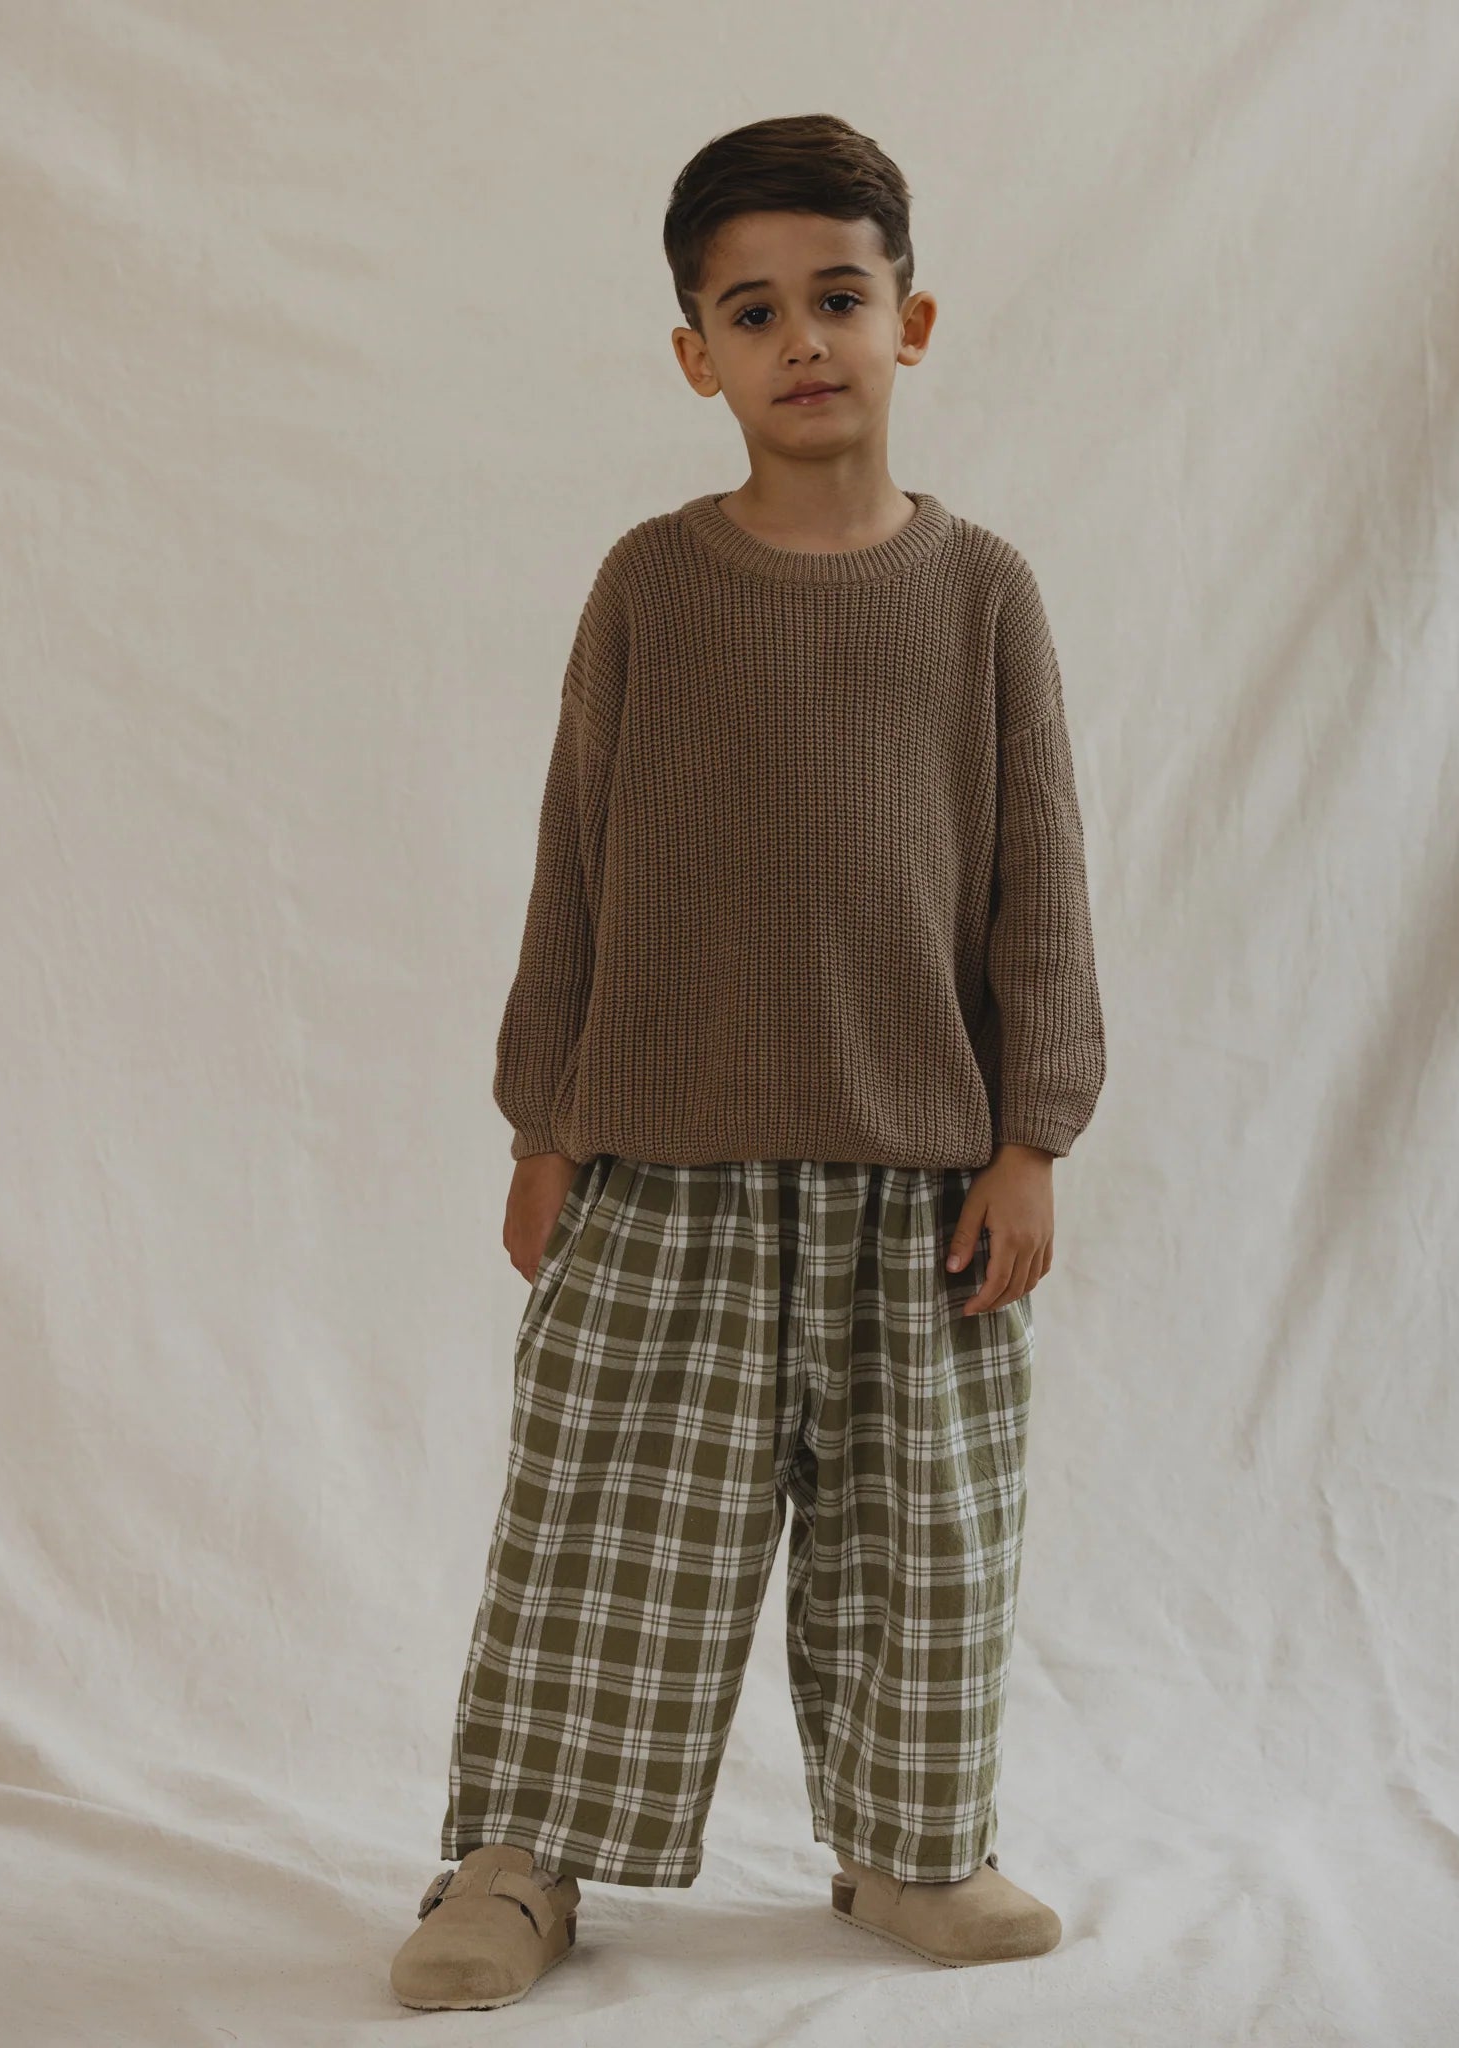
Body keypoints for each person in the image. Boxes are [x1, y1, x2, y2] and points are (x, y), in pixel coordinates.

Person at [390, 110, 1107, 2012]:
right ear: (696, 352)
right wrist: (543, 1118)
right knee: (598, 1524)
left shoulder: (983, 595)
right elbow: (580, 851)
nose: (805, 338)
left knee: (923, 1545)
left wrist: (1033, 1135)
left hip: (919, 1182)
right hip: (665, 1163)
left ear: (912, 319)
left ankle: (913, 1847)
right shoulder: (651, 584)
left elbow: (1037, 870)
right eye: (755, 308)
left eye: (840, 298)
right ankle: (518, 1857)